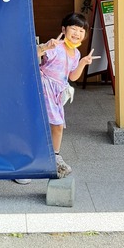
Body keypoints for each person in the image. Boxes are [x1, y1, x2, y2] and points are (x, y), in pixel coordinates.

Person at [37, 12, 94, 179]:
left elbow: (73, 77)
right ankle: (46, 158)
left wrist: (82, 63)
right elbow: (31, 55)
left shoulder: (76, 54)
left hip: (57, 92)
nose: (77, 33)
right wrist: (45, 47)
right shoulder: (56, 46)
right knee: (52, 124)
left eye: (81, 31)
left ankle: (54, 155)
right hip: (44, 88)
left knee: (56, 125)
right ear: (64, 29)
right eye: (74, 28)